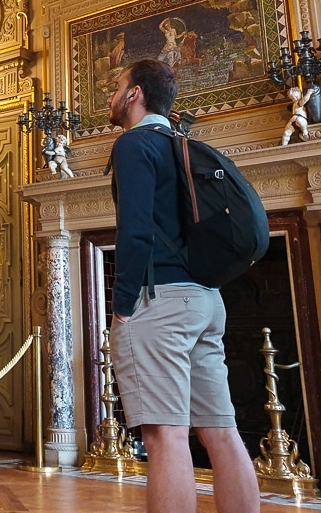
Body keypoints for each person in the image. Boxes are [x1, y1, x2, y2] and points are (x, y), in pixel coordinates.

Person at [105, 59, 259, 513]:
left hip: (162, 303)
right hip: (206, 300)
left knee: (166, 436)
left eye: (117, 86)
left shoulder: (134, 145)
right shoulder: (180, 143)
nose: (111, 95)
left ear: (135, 94)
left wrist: (122, 306)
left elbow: (134, 232)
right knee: (220, 433)